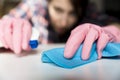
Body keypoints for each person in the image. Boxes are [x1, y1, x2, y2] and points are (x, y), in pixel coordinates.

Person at [0, 0, 120, 60]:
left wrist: (113, 29)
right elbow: (6, 22)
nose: (64, 22)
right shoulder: (34, 5)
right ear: (47, 2)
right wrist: (6, 27)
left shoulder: (87, 10)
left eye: (72, 13)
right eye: (58, 10)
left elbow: (114, 23)